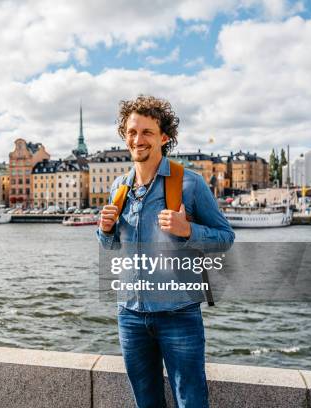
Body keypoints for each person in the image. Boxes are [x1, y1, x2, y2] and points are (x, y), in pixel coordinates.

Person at [97, 95, 234, 408]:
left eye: (147, 132)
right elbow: (112, 246)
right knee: (146, 403)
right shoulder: (120, 186)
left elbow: (226, 238)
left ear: (164, 137)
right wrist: (105, 230)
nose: (138, 139)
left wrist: (188, 231)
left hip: (179, 315)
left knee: (192, 403)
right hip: (130, 314)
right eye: (132, 132)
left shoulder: (189, 183)